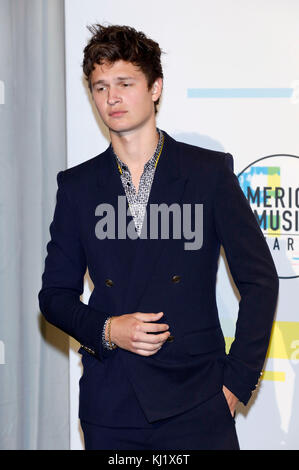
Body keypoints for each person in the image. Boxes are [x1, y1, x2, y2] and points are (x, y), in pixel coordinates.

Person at [38, 24, 279, 450]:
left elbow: (261, 281)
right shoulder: (77, 186)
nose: (111, 98)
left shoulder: (208, 174)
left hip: (198, 400)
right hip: (112, 403)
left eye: (125, 83)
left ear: (155, 88)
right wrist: (109, 329)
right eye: (100, 86)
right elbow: (54, 296)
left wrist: (235, 386)